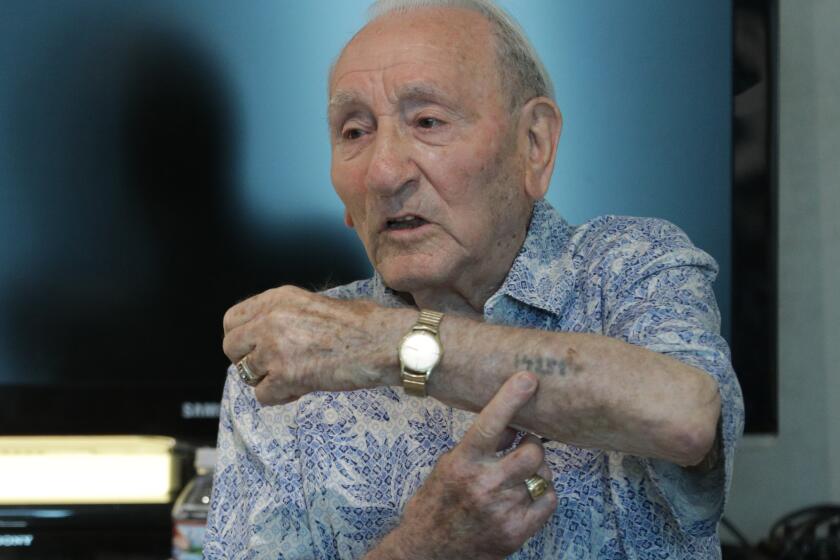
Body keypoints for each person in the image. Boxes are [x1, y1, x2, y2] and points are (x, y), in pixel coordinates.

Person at [205, 0, 744, 558]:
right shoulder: (289, 361)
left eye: (428, 121)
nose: (384, 173)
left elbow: (686, 416)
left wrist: (385, 343)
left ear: (534, 145)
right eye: (355, 131)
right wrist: (424, 548)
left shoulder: (628, 267)